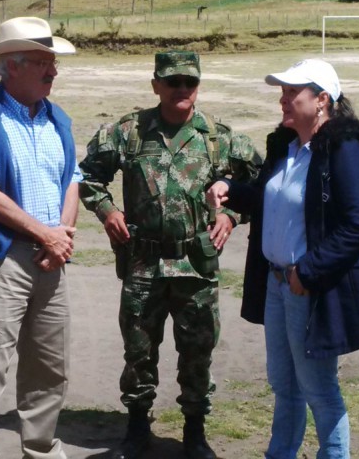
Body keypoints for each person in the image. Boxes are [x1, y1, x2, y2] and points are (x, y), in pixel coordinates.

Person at [206, 58, 359, 458]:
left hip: (308, 287)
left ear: (322, 100)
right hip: (277, 284)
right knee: (284, 384)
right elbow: (270, 200)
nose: (283, 99)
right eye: (283, 92)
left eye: (293, 92)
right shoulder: (287, 147)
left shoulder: (344, 150)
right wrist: (231, 189)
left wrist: (308, 272)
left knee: (318, 388)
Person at [79, 50, 262, 459]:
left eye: (189, 82)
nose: (181, 89)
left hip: (195, 265)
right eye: (172, 81)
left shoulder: (218, 137)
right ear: (156, 85)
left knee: (197, 351)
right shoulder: (128, 132)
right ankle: (137, 427)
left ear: (198, 86)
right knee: (138, 350)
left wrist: (232, 215)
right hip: (143, 263)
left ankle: (195, 432)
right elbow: (86, 175)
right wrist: (107, 211)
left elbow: (262, 182)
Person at [0, 16, 81, 459]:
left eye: (53, 62)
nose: (53, 71)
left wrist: (61, 236)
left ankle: (41, 452)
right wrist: (47, 235)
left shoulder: (57, 118)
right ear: (11, 65)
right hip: (2, 257)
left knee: (50, 366)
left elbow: (72, 180)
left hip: (51, 256)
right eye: (43, 62)